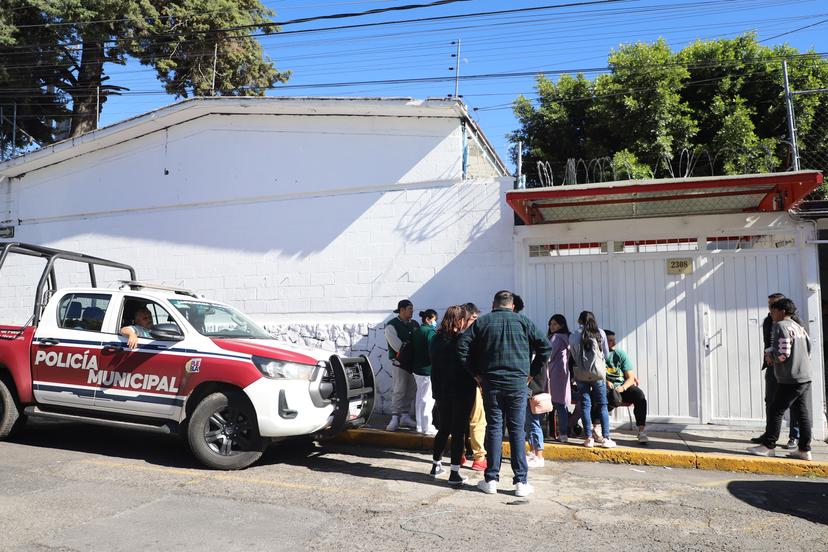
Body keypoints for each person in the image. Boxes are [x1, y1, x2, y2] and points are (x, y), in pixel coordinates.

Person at [457, 290, 551, 497]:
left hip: (491, 383)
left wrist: (476, 374)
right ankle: (521, 483)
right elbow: (545, 347)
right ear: (512, 305)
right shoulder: (524, 322)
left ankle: (490, 479)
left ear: (494, 304)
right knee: (517, 431)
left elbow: (461, 346)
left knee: (494, 429)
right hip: (517, 383)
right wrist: (531, 373)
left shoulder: (483, 323)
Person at [748, 298, 813, 461]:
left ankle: (768, 446)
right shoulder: (798, 326)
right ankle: (804, 450)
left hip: (790, 378)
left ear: (782, 311)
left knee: (775, 410)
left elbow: (784, 354)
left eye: (773, 310)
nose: (771, 313)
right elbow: (809, 347)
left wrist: (771, 358)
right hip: (804, 375)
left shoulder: (781, 326)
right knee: (801, 412)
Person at [429, 306, 477, 485]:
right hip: (461, 391)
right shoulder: (463, 340)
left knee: (443, 428)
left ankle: (436, 465)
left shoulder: (435, 339)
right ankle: (454, 473)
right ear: (460, 321)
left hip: (441, 390)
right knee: (458, 432)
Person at [751, 293, 800, 449]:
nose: (770, 308)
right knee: (770, 401)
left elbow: (800, 344)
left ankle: (794, 437)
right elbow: (768, 343)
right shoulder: (767, 321)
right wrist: (769, 359)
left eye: (774, 304)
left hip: (789, 367)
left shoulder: (794, 321)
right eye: (769, 304)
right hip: (772, 366)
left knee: (793, 403)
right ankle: (769, 434)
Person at [570, 311, 616, 449]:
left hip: (581, 374)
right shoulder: (600, 333)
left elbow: (572, 354)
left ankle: (588, 438)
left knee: (585, 405)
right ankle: (606, 437)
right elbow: (606, 355)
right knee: (602, 405)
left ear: (579, 320)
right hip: (597, 374)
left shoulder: (574, 335)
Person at [602, 330, 649, 444]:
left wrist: (622, 388)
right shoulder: (598, 355)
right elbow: (594, 374)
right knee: (608, 399)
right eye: (610, 340)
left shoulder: (620, 354)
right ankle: (599, 429)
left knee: (640, 396)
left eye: (614, 340)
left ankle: (641, 430)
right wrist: (606, 381)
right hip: (605, 387)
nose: (613, 342)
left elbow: (630, 377)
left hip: (622, 387)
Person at [384, 299, 419, 432]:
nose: (412, 311)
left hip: (413, 363)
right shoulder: (391, 326)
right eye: (410, 309)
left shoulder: (415, 324)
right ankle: (394, 417)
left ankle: (405, 415)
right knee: (399, 389)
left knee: (411, 389)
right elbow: (397, 346)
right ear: (402, 310)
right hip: (400, 363)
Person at [411, 309, 438, 435]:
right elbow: (434, 351)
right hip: (427, 370)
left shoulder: (417, 331)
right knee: (427, 398)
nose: (435, 322)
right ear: (427, 319)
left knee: (420, 397)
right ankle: (427, 426)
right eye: (434, 319)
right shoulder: (430, 332)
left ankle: (420, 425)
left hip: (417, 369)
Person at [547, 314, 572, 443]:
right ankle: (563, 433)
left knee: (551, 404)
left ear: (561, 325)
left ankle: (555, 433)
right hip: (563, 374)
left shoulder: (556, 337)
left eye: (555, 324)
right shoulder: (567, 338)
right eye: (550, 324)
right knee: (561, 404)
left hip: (553, 374)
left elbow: (548, 356)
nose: (552, 327)